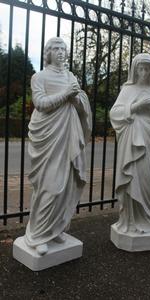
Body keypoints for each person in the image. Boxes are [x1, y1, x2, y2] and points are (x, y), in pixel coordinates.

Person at [25, 37, 92, 255]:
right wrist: (67, 94)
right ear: (48, 53)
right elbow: (41, 104)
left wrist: (76, 99)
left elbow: (80, 105)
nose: (60, 52)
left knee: (67, 182)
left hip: (68, 133)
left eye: (63, 48)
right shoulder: (39, 77)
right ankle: (37, 234)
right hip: (48, 135)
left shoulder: (71, 76)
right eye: (55, 48)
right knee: (50, 185)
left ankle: (55, 228)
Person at [110, 53, 150, 234]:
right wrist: (136, 107)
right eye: (141, 68)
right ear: (135, 70)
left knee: (148, 180)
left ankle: (149, 218)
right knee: (131, 180)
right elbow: (114, 113)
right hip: (131, 140)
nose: (144, 72)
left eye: (148, 69)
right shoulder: (127, 90)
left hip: (149, 139)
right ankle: (130, 222)